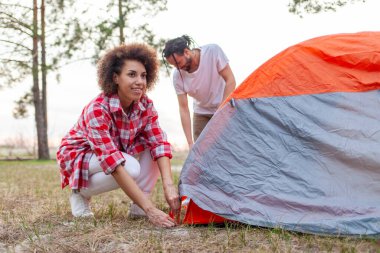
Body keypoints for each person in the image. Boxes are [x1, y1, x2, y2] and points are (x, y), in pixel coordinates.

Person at [56, 43, 180, 228]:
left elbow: (159, 143)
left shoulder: (145, 105)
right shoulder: (97, 109)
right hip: (79, 156)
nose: (140, 81)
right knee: (130, 167)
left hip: (113, 155)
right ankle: (79, 192)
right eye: (132, 74)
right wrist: (151, 210)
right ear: (115, 78)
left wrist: (169, 186)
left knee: (152, 146)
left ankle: (139, 205)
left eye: (143, 75)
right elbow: (112, 163)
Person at [162, 35, 236, 149]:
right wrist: (190, 143)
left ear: (186, 52)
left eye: (178, 63)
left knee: (228, 147)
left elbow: (230, 80)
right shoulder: (178, 76)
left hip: (223, 107)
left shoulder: (212, 51)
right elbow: (183, 108)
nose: (178, 68)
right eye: (174, 66)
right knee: (201, 153)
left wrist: (221, 111)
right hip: (201, 114)